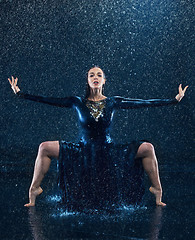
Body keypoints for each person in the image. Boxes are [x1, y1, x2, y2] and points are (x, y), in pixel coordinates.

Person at [8, 67, 188, 209]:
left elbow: (143, 103)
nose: (95, 77)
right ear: (87, 80)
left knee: (148, 148)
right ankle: (34, 189)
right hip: (83, 150)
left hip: (108, 151)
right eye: (91, 75)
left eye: (99, 75)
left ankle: (157, 189)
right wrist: (20, 94)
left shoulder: (113, 101)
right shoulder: (76, 101)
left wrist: (174, 100)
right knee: (44, 147)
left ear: (104, 80)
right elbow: (48, 99)